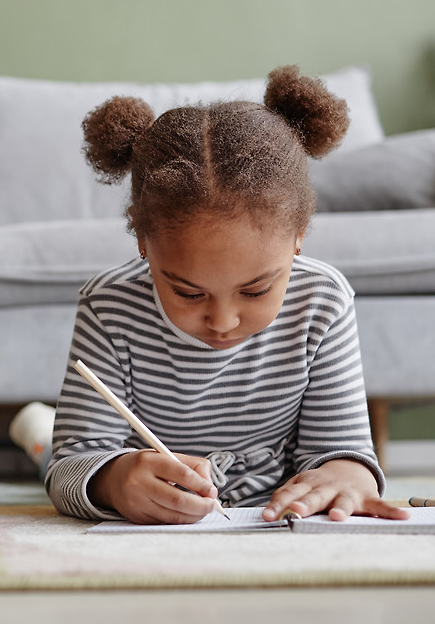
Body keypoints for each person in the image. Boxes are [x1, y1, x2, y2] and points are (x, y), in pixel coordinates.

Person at [42, 66, 407, 526]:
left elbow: (340, 451)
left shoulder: (322, 301)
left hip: (272, 521)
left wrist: (347, 477)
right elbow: (71, 469)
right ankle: (37, 431)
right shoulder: (109, 307)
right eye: (188, 293)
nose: (223, 320)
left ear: (299, 236)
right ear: (143, 246)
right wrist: (113, 480)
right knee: (47, 448)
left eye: (255, 289)